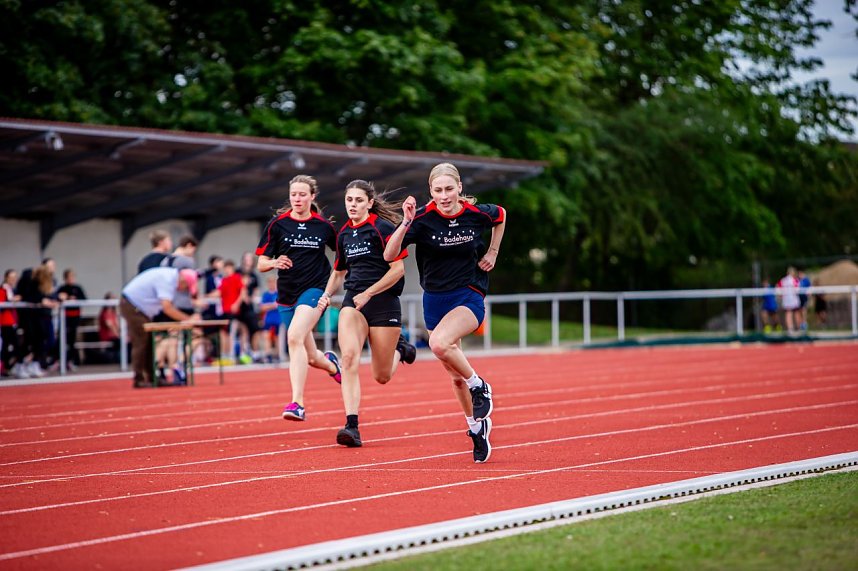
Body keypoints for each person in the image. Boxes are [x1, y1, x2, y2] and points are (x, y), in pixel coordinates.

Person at [384, 162, 506, 463]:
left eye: (449, 189)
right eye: (437, 190)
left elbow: (501, 215)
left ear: (460, 188)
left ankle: (481, 386)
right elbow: (389, 254)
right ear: (430, 191)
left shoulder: (476, 214)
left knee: (439, 343)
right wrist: (406, 223)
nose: (444, 195)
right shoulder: (422, 219)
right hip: (434, 300)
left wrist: (492, 252)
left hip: (469, 293)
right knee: (454, 378)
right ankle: (476, 427)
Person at [317, 180, 417, 447]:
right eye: (349, 200)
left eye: (359, 200)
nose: (353, 205)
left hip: (383, 302)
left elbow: (398, 270)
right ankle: (352, 426)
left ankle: (401, 349)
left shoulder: (382, 227)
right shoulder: (343, 234)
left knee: (382, 376)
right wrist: (326, 295)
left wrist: (370, 292)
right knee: (348, 358)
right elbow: (338, 272)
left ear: (369, 203)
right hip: (353, 302)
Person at [256, 174, 341, 421]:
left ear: (312, 197)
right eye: (294, 194)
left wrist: (332, 289)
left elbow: (341, 258)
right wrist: (274, 262)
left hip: (315, 290)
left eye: (302, 194)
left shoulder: (323, 226)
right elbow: (261, 263)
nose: (297, 198)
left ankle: (297, 404)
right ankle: (331, 365)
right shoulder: (277, 224)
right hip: (287, 295)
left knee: (293, 337)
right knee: (311, 356)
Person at [119, 267, 200, 388]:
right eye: (186, 287)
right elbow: (167, 308)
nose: (184, 290)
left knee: (149, 342)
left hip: (140, 309)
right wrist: (188, 320)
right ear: (182, 280)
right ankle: (139, 378)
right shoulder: (167, 280)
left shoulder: (169, 277)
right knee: (141, 341)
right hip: (133, 306)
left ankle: (152, 377)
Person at [56, 268, 87, 371]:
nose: (71, 279)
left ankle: (71, 361)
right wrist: (64, 298)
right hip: (65, 317)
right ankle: (60, 361)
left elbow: (84, 299)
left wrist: (75, 299)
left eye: (73, 277)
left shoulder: (77, 288)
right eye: (69, 277)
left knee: (72, 340)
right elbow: (56, 298)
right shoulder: (62, 288)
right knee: (62, 339)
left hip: (75, 317)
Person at [1, 270, 23, 378]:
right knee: (11, 345)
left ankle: (9, 366)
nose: (13, 280)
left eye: (15, 277)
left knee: (10, 345)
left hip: (12, 320)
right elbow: (3, 303)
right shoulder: (3, 289)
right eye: (11, 277)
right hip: (5, 321)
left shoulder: (12, 290)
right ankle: (9, 366)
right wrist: (12, 301)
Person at [258, 275, 282, 363]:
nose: (271, 284)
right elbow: (262, 307)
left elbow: (280, 305)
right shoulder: (266, 295)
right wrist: (272, 305)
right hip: (268, 319)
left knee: (277, 338)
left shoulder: (279, 294)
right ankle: (268, 355)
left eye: (273, 282)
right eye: (270, 282)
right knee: (266, 336)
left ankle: (277, 355)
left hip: (277, 319)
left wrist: (270, 306)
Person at [98, 292, 121, 362]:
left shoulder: (113, 312)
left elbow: (117, 325)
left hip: (114, 335)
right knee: (121, 341)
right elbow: (110, 326)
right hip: (108, 336)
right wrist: (119, 335)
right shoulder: (105, 313)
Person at [777, 266, 801, 333]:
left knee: (788, 313)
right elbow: (798, 290)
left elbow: (778, 290)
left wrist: (782, 295)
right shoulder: (795, 280)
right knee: (796, 313)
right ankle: (798, 328)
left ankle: (790, 329)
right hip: (794, 299)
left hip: (786, 300)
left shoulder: (782, 280)